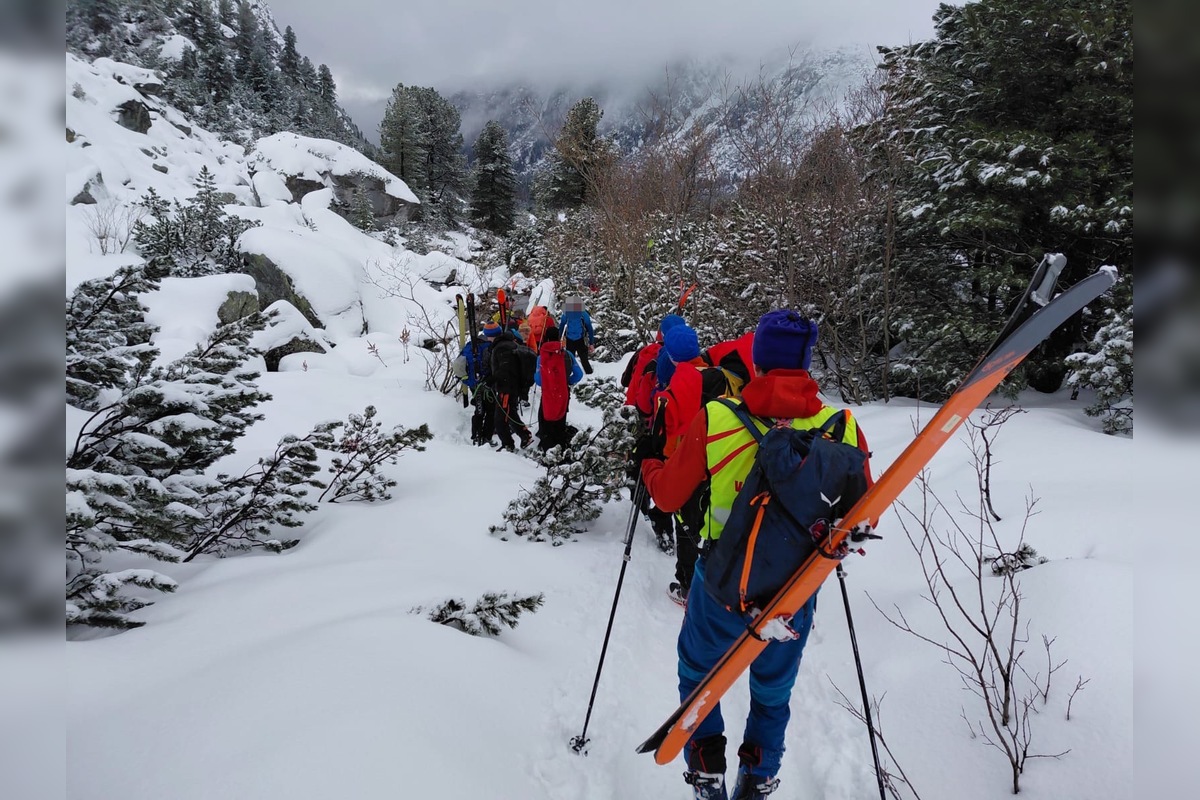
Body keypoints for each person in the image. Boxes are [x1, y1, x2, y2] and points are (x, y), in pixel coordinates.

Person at [638, 310, 874, 800]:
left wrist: (651, 464)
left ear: (758, 359)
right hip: (795, 592)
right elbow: (864, 516)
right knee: (772, 693)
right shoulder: (842, 427)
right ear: (806, 362)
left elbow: (667, 498)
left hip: (721, 586)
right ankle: (759, 776)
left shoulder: (719, 417)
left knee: (698, 675)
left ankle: (707, 770)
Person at [533, 325, 584, 450]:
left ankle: (547, 445)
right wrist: (567, 381)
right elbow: (579, 374)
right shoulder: (568, 355)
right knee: (560, 417)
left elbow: (538, 380)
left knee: (545, 417)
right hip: (563, 392)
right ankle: (560, 445)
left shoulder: (541, 357)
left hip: (548, 393)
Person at [488, 326, 535, 451]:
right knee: (511, 413)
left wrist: (492, 379)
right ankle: (525, 436)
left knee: (500, 418)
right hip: (511, 386)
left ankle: (508, 445)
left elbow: (505, 369)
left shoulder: (501, 348)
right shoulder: (509, 345)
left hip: (507, 387)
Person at [453, 324, 497, 446]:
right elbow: (492, 365)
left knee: (479, 410)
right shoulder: (489, 347)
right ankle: (486, 437)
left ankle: (475, 436)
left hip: (473, 383)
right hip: (486, 383)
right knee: (491, 410)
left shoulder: (469, 346)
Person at [559, 295, 597, 374]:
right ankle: (589, 377)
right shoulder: (583, 314)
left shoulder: (566, 313)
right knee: (584, 361)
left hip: (569, 339)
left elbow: (562, 327)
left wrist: (560, 340)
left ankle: (568, 379)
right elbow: (589, 328)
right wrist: (591, 343)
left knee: (569, 361)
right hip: (580, 339)